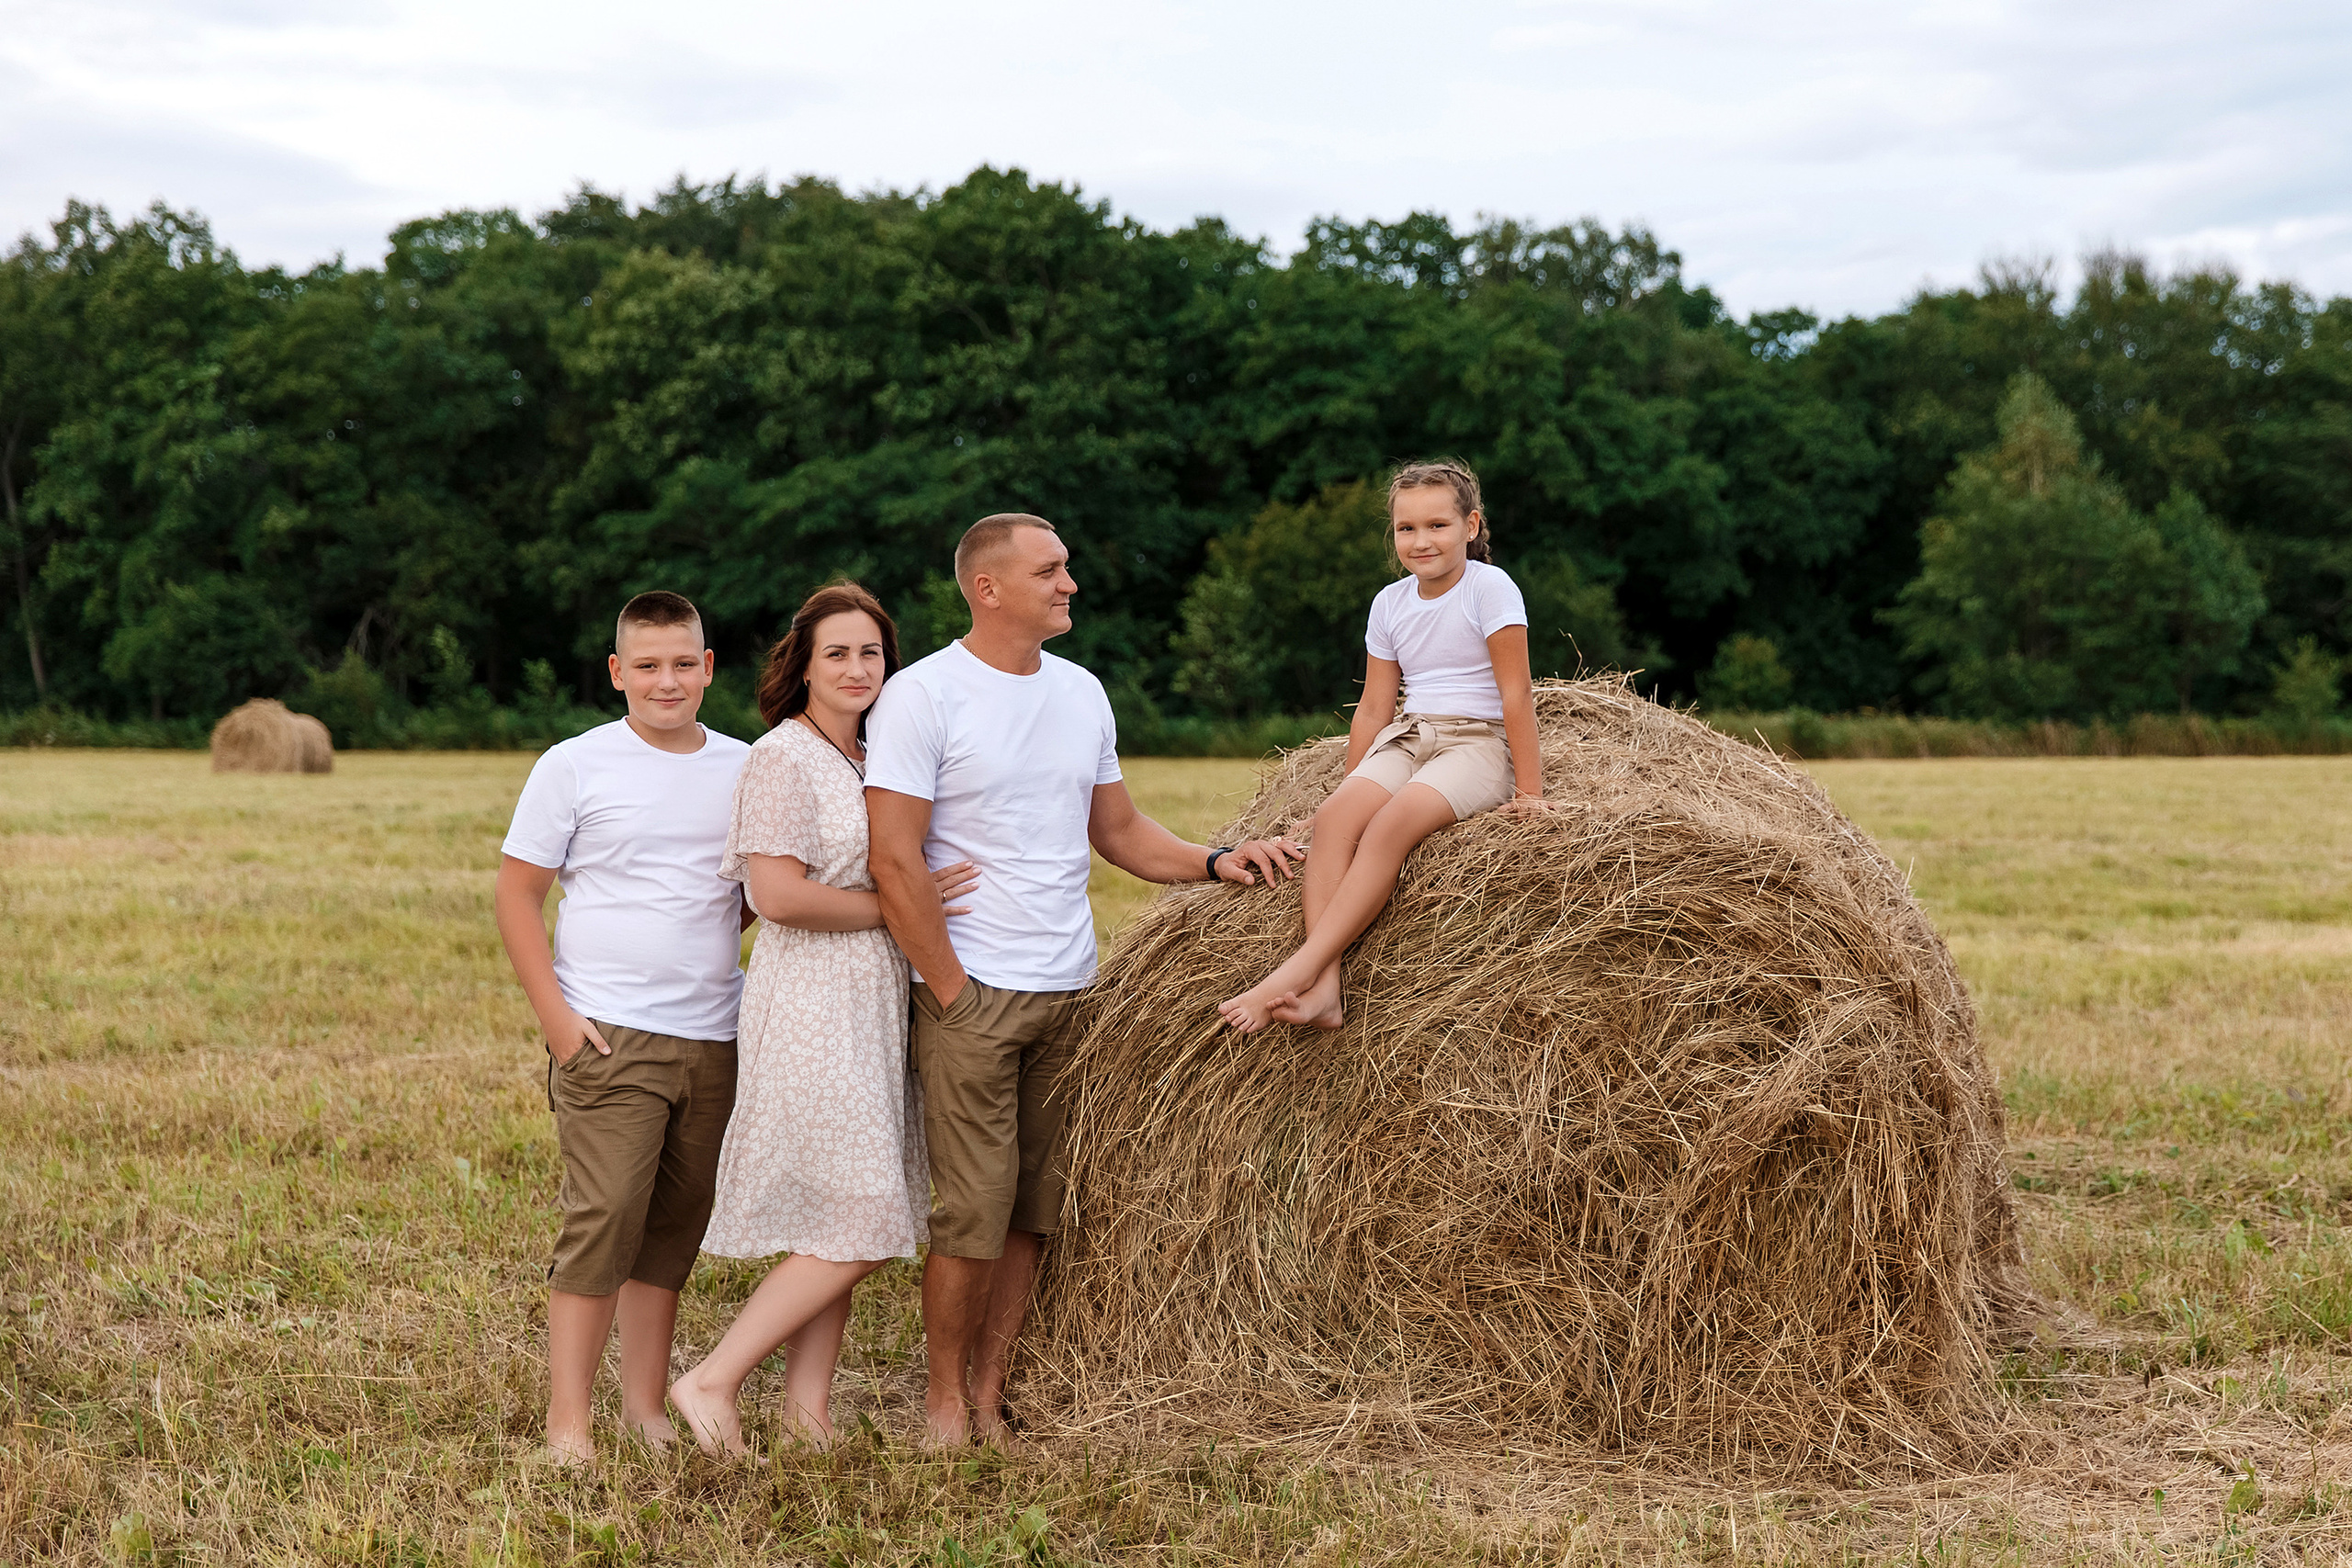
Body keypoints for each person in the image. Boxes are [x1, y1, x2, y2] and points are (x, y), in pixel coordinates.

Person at [864, 513, 1303, 1448]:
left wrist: (1220, 858)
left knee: (1035, 1210)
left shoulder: (1080, 693)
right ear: (988, 589)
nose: (1070, 584)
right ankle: (942, 1403)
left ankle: (990, 1392)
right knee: (971, 1211)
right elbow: (894, 860)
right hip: (973, 990)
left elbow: (1120, 833)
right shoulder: (922, 696)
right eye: (1050, 570)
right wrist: (949, 989)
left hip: (1072, 992)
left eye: (1066, 567)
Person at [668, 583, 979, 1457]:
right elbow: (776, 895)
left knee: (839, 1210)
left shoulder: (873, 755)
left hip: (872, 1000)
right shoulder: (783, 757)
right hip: (811, 1000)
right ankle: (713, 1378)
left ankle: (808, 1416)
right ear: (801, 663)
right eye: (837, 652)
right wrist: (901, 907)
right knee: (867, 1214)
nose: (856, 668)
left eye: (872, 653)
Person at [492, 590, 752, 1464]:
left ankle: (643, 1404)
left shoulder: (743, 766)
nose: (666, 680)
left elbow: (742, 897)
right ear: (617, 673)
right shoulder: (575, 764)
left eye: (684, 662)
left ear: (708, 668)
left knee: (674, 1224)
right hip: (609, 1035)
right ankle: (569, 1422)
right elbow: (517, 894)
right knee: (604, 1217)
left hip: (715, 1034)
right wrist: (560, 1023)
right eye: (647, 665)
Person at [1216, 461, 1554, 1033]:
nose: (1421, 541)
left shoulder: (1490, 587)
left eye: (1438, 525)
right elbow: (1375, 707)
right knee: (1334, 821)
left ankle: (1295, 970)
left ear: (1472, 526)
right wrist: (1349, 787)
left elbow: (1516, 692)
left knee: (1389, 828)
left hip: (1475, 741)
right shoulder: (1390, 603)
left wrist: (1531, 794)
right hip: (1409, 734)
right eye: (1406, 529)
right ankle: (1325, 989)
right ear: (1393, 533)